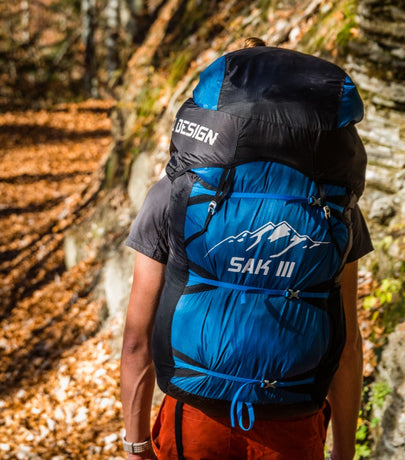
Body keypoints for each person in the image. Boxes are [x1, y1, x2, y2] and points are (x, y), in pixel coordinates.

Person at [120, 39, 373, 460]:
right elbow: (347, 343)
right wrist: (344, 452)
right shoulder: (333, 207)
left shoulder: (175, 195)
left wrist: (136, 442)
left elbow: (136, 339)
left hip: (196, 422)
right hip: (292, 427)